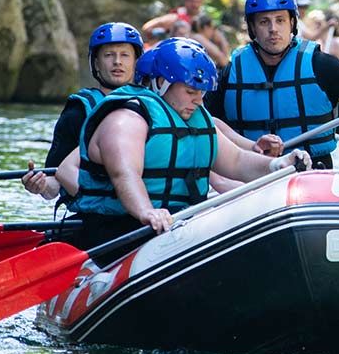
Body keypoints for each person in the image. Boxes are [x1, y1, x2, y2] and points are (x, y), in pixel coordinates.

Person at [58, 39, 307, 263]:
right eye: (190, 91)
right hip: (119, 231)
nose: (198, 100)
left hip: (178, 226)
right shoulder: (126, 120)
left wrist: (279, 165)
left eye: (201, 92)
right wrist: (147, 211)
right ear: (160, 83)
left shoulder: (197, 118)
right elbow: (126, 175)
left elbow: (237, 161)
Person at [207, 0, 339, 168]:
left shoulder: (320, 65)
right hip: (252, 173)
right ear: (252, 27)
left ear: (292, 23)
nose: (273, 29)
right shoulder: (231, 73)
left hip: (313, 171)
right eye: (264, 22)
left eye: (280, 20)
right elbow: (204, 122)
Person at [22, 22, 144, 201]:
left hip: (151, 209)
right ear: (96, 62)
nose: (117, 61)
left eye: (125, 55)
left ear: (136, 62)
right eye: (109, 55)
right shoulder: (77, 113)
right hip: (97, 215)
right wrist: (40, 185)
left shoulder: (152, 106)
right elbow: (53, 187)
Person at [142, 0, 207, 37]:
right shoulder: (175, 16)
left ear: (202, 2)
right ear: (186, 0)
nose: (194, 5)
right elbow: (147, 27)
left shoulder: (203, 19)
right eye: (192, 1)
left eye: (197, 1)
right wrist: (162, 33)